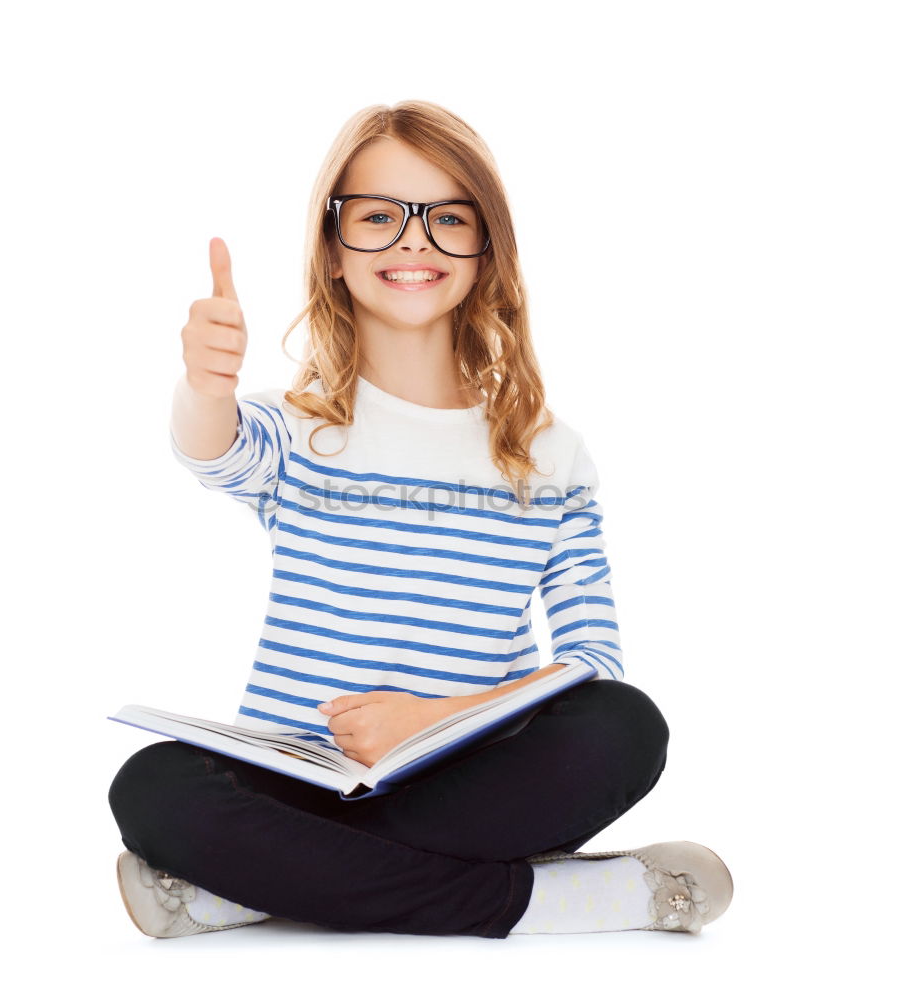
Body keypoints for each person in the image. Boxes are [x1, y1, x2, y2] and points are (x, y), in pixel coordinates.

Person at [108, 100, 733, 940]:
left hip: (472, 784)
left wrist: (431, 717)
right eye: (378, 217)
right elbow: (210, 450)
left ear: (485, 250)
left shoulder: (551, 456)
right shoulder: (297, 430)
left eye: (447, 218)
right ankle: (561, 904)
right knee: (151, 786)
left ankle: (250, 890)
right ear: (333, 251)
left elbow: (591, 662)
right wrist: (206, 386)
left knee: (625, 728)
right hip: (299, 779)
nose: (414, 241)